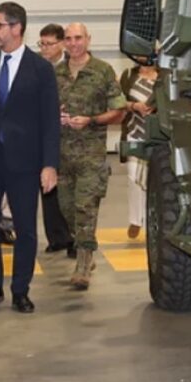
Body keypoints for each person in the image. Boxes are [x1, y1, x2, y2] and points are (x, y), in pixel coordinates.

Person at [0, 1, 59, 315]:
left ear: (16, 28)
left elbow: (50, 121)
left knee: (26, 228)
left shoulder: (40, 68)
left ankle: (20, 290)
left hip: (25, 162)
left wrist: (49, 164)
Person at [55, 22, 125, 290]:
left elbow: (118, 110)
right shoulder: (56, 73)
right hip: (62, 155)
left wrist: (92, 120)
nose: (73, 43)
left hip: (91, 155)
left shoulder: (102, 71)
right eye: (68, 39)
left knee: (85, 208)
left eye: (78, 38)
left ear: (88, 39)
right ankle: (83, 245)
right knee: (67, 208)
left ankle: (83, 262)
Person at [36, 23, 73, 255]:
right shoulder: (38, 67)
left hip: (70, 136)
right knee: (47, 187)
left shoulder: (72, 67)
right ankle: (55, 237)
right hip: (42, 134)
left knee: (69, 190)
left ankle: (72, 238)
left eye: (49, 44)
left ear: (61, 44)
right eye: (42, 44)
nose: (45, 49)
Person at [119, 63, 158, 239]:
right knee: (133, 177)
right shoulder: (128, 74)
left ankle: (154, 220)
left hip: (159, 134)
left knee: (156, 180)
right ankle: (136, 219)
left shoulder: (166, 74)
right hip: (135, 132)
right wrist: (134, 106)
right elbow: (117, 101)